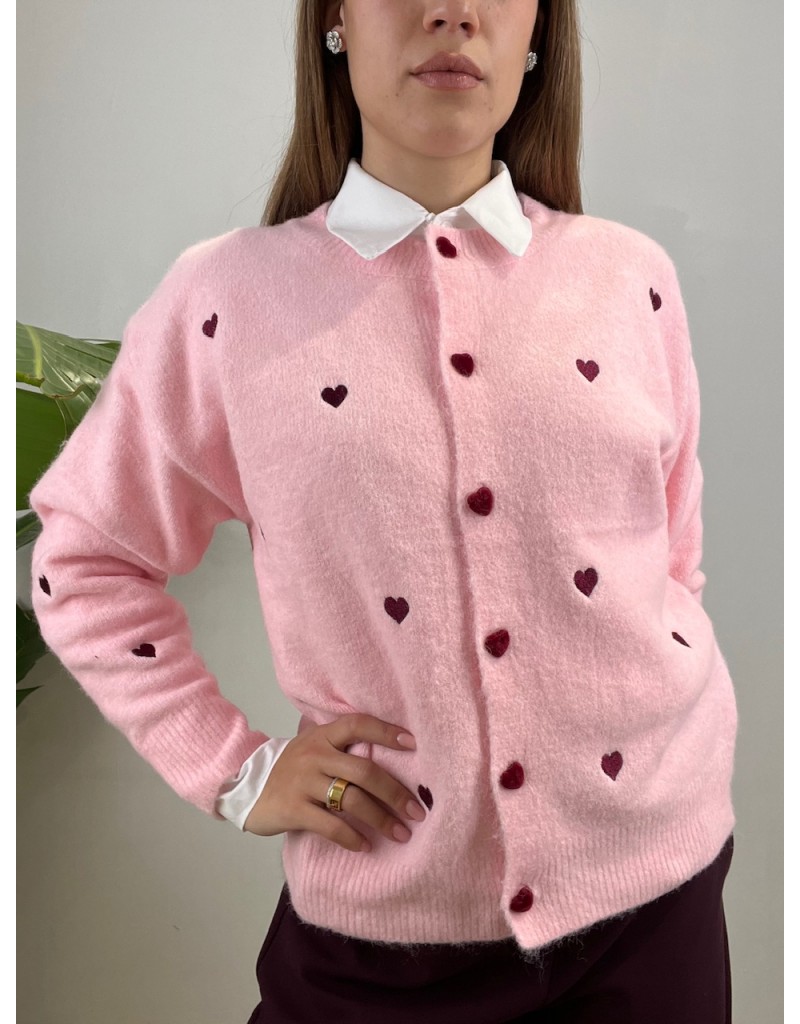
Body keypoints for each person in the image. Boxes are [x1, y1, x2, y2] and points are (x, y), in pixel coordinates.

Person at [27, 1, 739, 1021]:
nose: (452, 11)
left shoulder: (629, 279)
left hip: (654, 901)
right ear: (335, 21)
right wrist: (237, 772)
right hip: (380, 929)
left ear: (538, 30)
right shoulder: (227, 299)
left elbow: (670, 564)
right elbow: (84, 558)